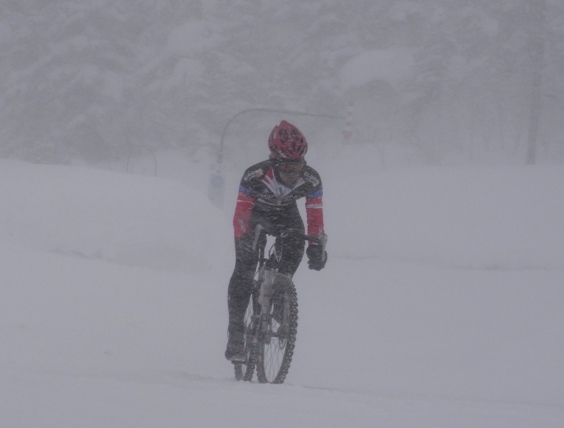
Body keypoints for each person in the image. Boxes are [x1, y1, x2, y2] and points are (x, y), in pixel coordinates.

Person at [225, 120, 328, 362]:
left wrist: (317, 246)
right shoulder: (255, 176)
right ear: (274, 162)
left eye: (298, 167)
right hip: (255, 215)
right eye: (287, 168)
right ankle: (236, 332)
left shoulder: (311, 180)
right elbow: (241, 215)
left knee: (296, 246)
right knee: (244, 270)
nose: (293, 174)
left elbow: (315, 217)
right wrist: (244, 240)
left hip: (286, 215)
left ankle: (279, 295)